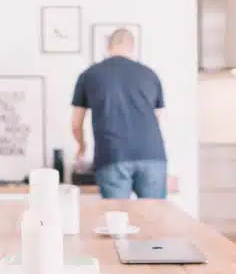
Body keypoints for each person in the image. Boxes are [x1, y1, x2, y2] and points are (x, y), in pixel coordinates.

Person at [70, 28, 167, 199]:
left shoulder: (89, 75)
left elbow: (76, 124)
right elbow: (158, 119)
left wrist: (82, 146)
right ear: (132, 47)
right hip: (152, 155)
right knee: (154, 215)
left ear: (108, 46)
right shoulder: (150, 75)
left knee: (116, 217)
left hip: (113, 155)